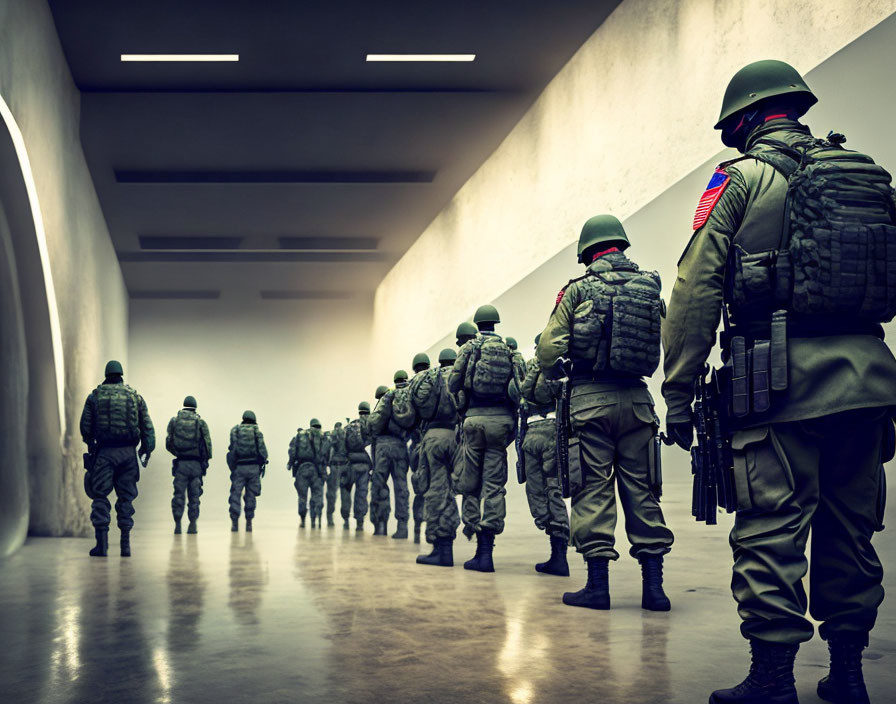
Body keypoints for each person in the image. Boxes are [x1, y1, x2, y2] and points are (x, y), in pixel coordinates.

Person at [662, 59, 896, 704]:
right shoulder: (862, 176)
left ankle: (771, 680)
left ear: (742, 119)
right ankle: (847, 675)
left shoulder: (740, 180)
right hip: (869, 382)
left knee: (772, 527)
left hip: (777, 380)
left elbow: (695, 289)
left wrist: (678, 393)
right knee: (851, 529)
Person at [537, 214, 673, 611]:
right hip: (638, 401)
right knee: (643, 491)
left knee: (592, 489)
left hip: (590, 402)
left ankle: (598, 587)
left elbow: (548, 351)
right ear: (621, 244)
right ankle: (654, 590)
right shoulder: (650, 285)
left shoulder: (577, 290)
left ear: (587, 250)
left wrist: (561, 368)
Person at [448, 304, 521, 572]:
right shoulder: (510, 351)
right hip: (501, 423)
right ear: (496, 323)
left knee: (470, 482)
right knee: (494, 485)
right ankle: (486, 552)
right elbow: (520, 389)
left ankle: (473, 536)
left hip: (474, 421)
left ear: (478, 325)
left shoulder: (469, 349)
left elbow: (453, 384)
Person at [79, 360, 155, 557]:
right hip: (128, 454)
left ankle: (102, 545)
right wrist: (146, 449)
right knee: (126, 498)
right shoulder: (134, 396)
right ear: (121, 374)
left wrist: (91, 444)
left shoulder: (95, 396)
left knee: (100, 496)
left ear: (106, 374)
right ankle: (125, 546)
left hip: (105, 453)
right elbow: (147, 426)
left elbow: (85, 427)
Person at [520, 334, 570, 575]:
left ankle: (555, 550)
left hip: (532, 431)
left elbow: (522, 393)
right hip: (553, 431)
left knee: (537, 489)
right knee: (554, 488)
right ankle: (559, 553)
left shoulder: (532, 368)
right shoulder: (562, 367)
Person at [411, 348, 461, 566]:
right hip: (456, 435)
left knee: (435, 491)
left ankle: (441, 549)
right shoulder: (460, 374)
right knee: (449, 489)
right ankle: (447, 544)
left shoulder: (432, 378)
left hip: (434, 436)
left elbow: (416, 406)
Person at [369, 371, 412, 537]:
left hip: (383, 446)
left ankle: (380, 525)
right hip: (401, 446)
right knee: (401, 486)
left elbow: (374, 426)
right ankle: (402, 527)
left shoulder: (385, 400)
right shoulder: (407, 400)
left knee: (379, 486)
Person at [165, 395, 212, 534]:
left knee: (178, 494)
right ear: (195, 407)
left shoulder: (174, 421)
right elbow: (207, 446)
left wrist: (178, 453)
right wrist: (205, 461)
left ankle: (178, 524)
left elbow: (169, 443)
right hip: (196, 464)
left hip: (181, 463)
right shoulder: (201, 423)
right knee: (194, 495)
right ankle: (192, 524)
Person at [227, 410, 268, 532]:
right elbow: (263, 452)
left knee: (235, 494)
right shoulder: (257, 432)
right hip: (253, 468)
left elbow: (232, 450)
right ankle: (249, 522)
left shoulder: (236, 431)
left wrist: (233, 466)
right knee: (251, 496)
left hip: (239, 467)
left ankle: (235, 522)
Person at [408, 352, 432, 543]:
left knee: (420, 487)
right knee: (439, 486)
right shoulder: (437, 381)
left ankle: (417, 527)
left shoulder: (411, 387)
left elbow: (406, 419)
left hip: (418, 445)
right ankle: (435, 531)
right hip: (437, 438)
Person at [289, 420, 326, 529]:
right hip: (317, 470)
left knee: (302, 496)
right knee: (317, 495)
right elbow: (325, 454)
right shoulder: (322, 436)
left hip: (302, 469)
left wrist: (291, 464)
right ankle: (316, 520)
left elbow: (292, 452)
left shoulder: (300, 436)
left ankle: (303, 520)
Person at [341, 403, 373, 532]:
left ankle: (345, 518)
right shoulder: (371, 425)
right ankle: (360, 522)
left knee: (346, 491)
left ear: (359, 412)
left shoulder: (349, 427)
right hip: (365, 465)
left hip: (350, 465)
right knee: (362, 492)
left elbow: (342, 447)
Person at [329, 421, 352, 529]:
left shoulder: (332, 434)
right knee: (345, 493)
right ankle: (346, 519)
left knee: (332, 493)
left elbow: (328, 450)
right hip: (345, 465)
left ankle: (330, 517)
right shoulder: (346, 434)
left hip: (334, 466)